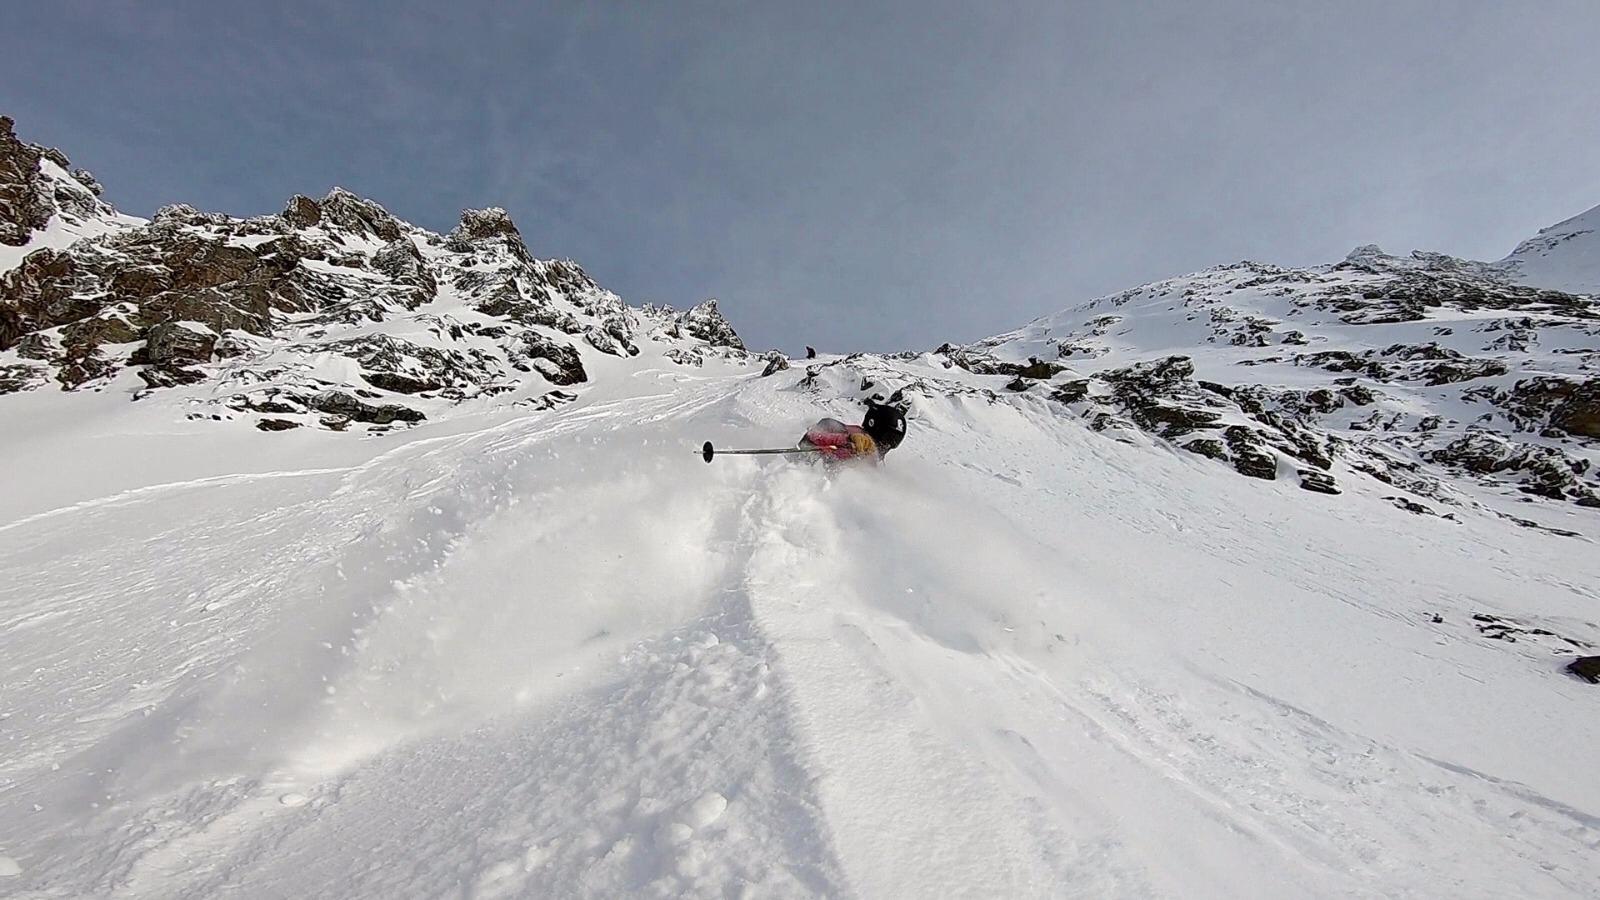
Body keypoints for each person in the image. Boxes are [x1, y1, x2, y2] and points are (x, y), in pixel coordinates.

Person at [799, 402, 907, 463]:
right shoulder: (851, 435)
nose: (886, 445)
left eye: (892, 442)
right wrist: (847, 441)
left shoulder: (873, 459)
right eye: (887, 439)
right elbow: (815, 434)